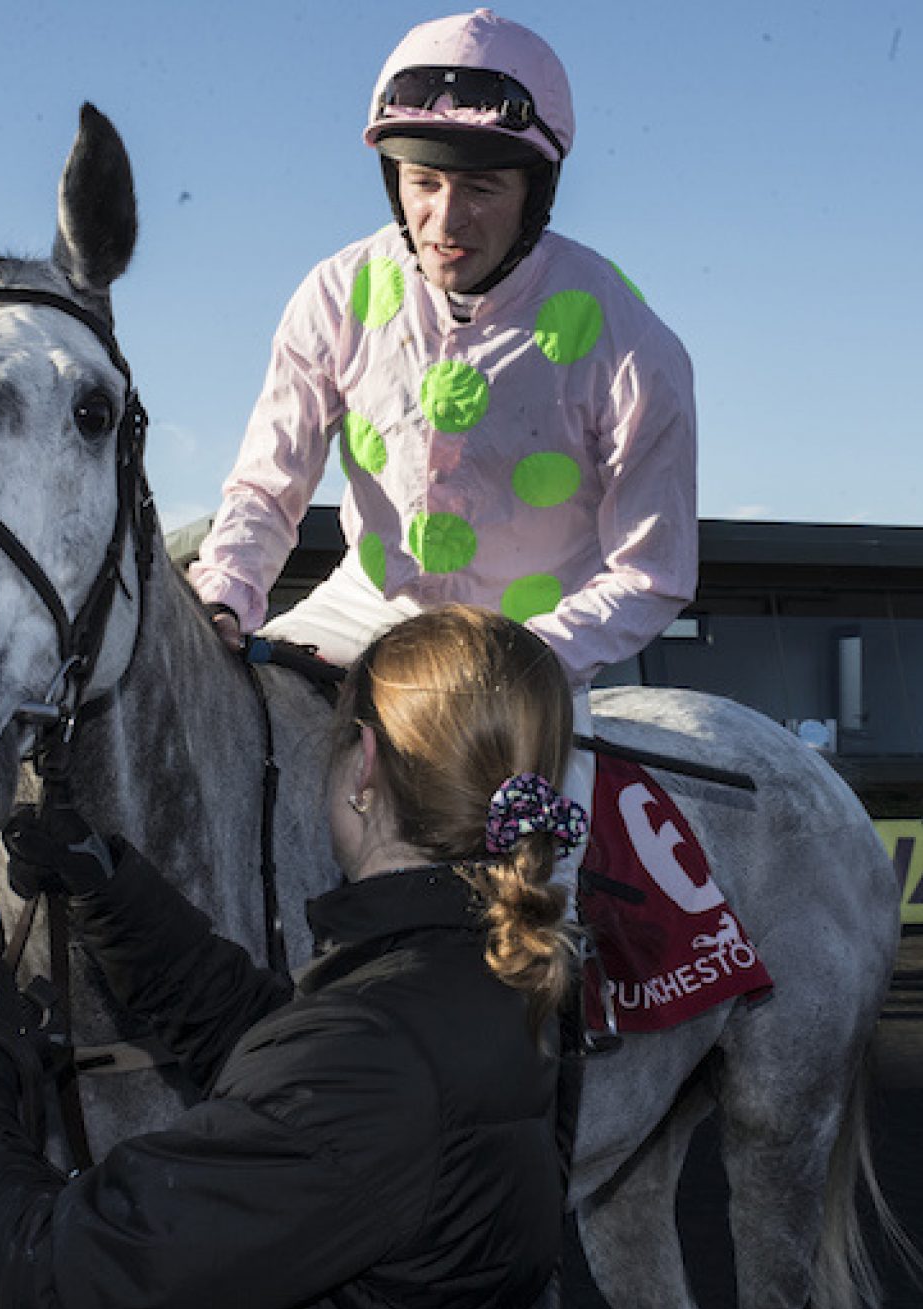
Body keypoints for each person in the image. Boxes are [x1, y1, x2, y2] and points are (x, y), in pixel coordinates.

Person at [0, 606, 585, 1309]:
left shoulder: (376, 1054)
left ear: (366, 764)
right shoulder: (499, 968)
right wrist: (110, 891)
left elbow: (55, 1288)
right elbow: (290, 1069)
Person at [186, 9, 698, 900]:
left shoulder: (632, 342)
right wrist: (227, 593)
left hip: (529, 645)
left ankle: (553, 977)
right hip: (360, 609)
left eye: (483, 188)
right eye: (422, 182)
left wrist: (521, 660)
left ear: (539, 190)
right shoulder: (335, 292)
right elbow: (268, 486)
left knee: (535, 890)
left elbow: (652, 573)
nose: (444, 219)